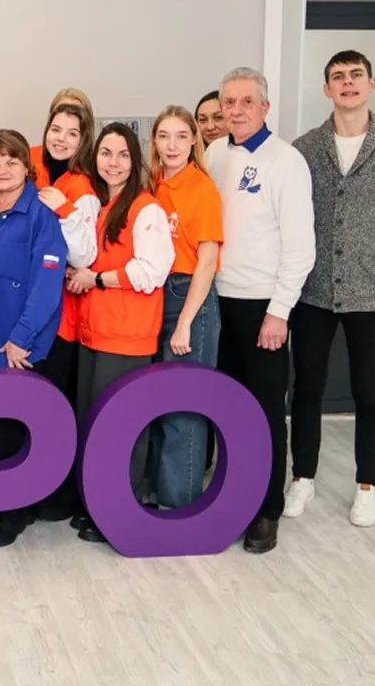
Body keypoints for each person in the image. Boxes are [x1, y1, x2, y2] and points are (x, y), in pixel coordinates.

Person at [287, 50, 375, 528]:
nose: (347, 83)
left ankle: (367, 485)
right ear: (326, 89)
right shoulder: (305, 148)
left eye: (356, 75)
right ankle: (302, 476)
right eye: (338, 77)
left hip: (372, 293)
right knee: (306, 387)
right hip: (313, 290)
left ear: (371, 84)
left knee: (369, 390)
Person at [206, 67, 315, 553]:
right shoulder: (214, 154)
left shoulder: (286, 161)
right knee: (225, 408)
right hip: (217, 301)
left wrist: (279, 311)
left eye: (246, 102)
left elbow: (301, 248)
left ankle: (267, 510)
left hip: (262, 309)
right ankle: (232, 496)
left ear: (265, 107)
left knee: (266, 412)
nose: (236, 111)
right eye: (229, 102)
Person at [67, 122, 173, 544]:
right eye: (106, 153)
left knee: (121, 431)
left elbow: (151, 271)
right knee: (95, 427)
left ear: (136, 160)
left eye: (123, 155)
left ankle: (119, 512)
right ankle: (97, 506)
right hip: (94, 334)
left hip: (126, 337)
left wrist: (95, 279)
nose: (113, 162)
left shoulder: (146, 209)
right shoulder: (100, 207)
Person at [0, 130, 67, 547]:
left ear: (26, 167)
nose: (2, 170)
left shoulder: (41, 215)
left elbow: (47, 285)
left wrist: (22, 337)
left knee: (10, 430)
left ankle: (12, 514)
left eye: (11, 162)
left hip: (17, 342)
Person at [147, 106, 223, 510]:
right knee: (157, 404)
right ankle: (156, 497)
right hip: (156, 294)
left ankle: (180, 508)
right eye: (164, 136)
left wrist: (186, 323)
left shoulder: (202, 188)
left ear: (194, 140)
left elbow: (207, 262)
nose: (172, 145)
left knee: (183, 409)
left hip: (189, 297)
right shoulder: (153, 185)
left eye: (181, 136)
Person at [27, 101, 100, 519]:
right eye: (56, 129)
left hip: (62, 317)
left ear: (83, 140)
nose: (61, 139)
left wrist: (63, 207)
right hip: (24, 309)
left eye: (73, 133)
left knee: (55, 407)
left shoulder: (83, 187)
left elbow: (84, 254)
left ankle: (54, 494)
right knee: (26, 404)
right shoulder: (30, 166)